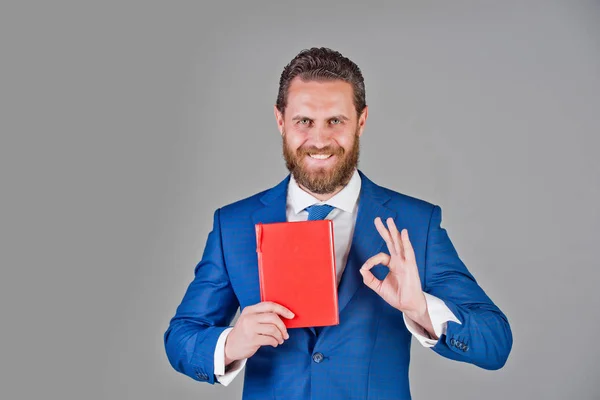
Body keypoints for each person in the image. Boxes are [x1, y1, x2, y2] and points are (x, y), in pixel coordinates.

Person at [164, 47, 512, 400]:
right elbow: (181, 338)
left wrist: (421, 308)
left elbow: (495, 342)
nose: (319, 140)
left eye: (336, 121)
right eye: (304, 121)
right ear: (280, 120)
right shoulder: (233, 225)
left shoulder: (415, 224)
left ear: (360, 121)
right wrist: (230, 344)